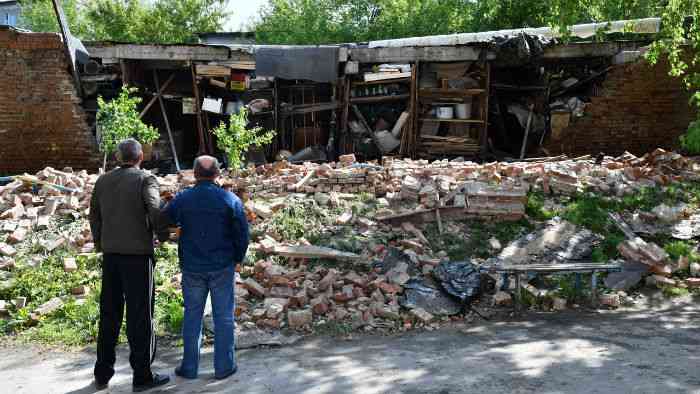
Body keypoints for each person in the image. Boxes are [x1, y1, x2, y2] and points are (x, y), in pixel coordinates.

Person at [89, 138, 170, 392]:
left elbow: (94, 215)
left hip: (111, 256)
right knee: (140, 316)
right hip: (137, 257)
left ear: (118, 157)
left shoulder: (102, 181)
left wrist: (101, 243)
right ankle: (142, 376)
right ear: (140, 157)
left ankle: (102, 373)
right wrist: (163, 235)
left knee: (109, 314)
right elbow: (155, 209)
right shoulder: (145, 179)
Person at [161, 155, 249, 380]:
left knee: (192, 315)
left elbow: (164, 218)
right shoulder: (230, 199)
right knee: (224, 316)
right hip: (222, 266)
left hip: (192, 266)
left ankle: (189, 368)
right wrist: (237, 258)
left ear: (195, 173)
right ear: (218, 174)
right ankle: (224, 367)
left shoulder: (183, 199)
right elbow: (242, 235)